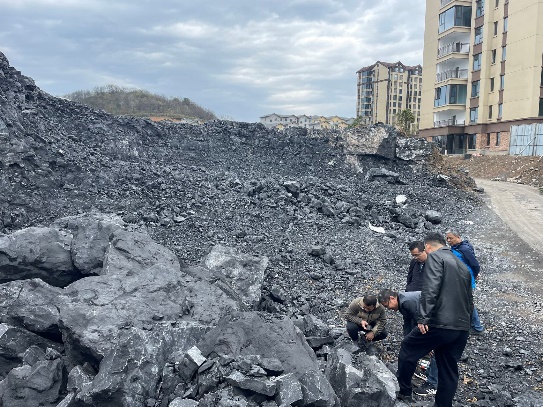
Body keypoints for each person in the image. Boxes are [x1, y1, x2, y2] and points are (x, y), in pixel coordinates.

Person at [396, 232, 473, 406]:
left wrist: (423, 317)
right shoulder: (461, 265)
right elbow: (470, 300)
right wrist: (466, 326)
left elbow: (430, 287)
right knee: (448, 369)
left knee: (408, 347)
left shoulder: (435, 257)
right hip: (461, 328)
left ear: (428, 246)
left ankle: (405, 392)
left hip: (441, 322)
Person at [379, 289, 438, 396]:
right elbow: (408, 321)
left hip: (439, 319)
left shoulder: (407, 301)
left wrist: (428, 344)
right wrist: (408, 339)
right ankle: (429, 373)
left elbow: (423, 322)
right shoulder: (402, 302)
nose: (389, 309)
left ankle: (433, 384)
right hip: (429, 318)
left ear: (392, 298)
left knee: (437, 350)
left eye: (387, 306)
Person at [445, 229, 485, 335]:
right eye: (447, 238)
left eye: (451, 238)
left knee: (467, 302)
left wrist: (474, 275)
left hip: (465, 279)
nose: (448, 240)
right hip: (459, 279)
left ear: (458, 237)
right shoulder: (457, 247)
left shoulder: (464, 249)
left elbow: (475, 264)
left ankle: (477, 327)